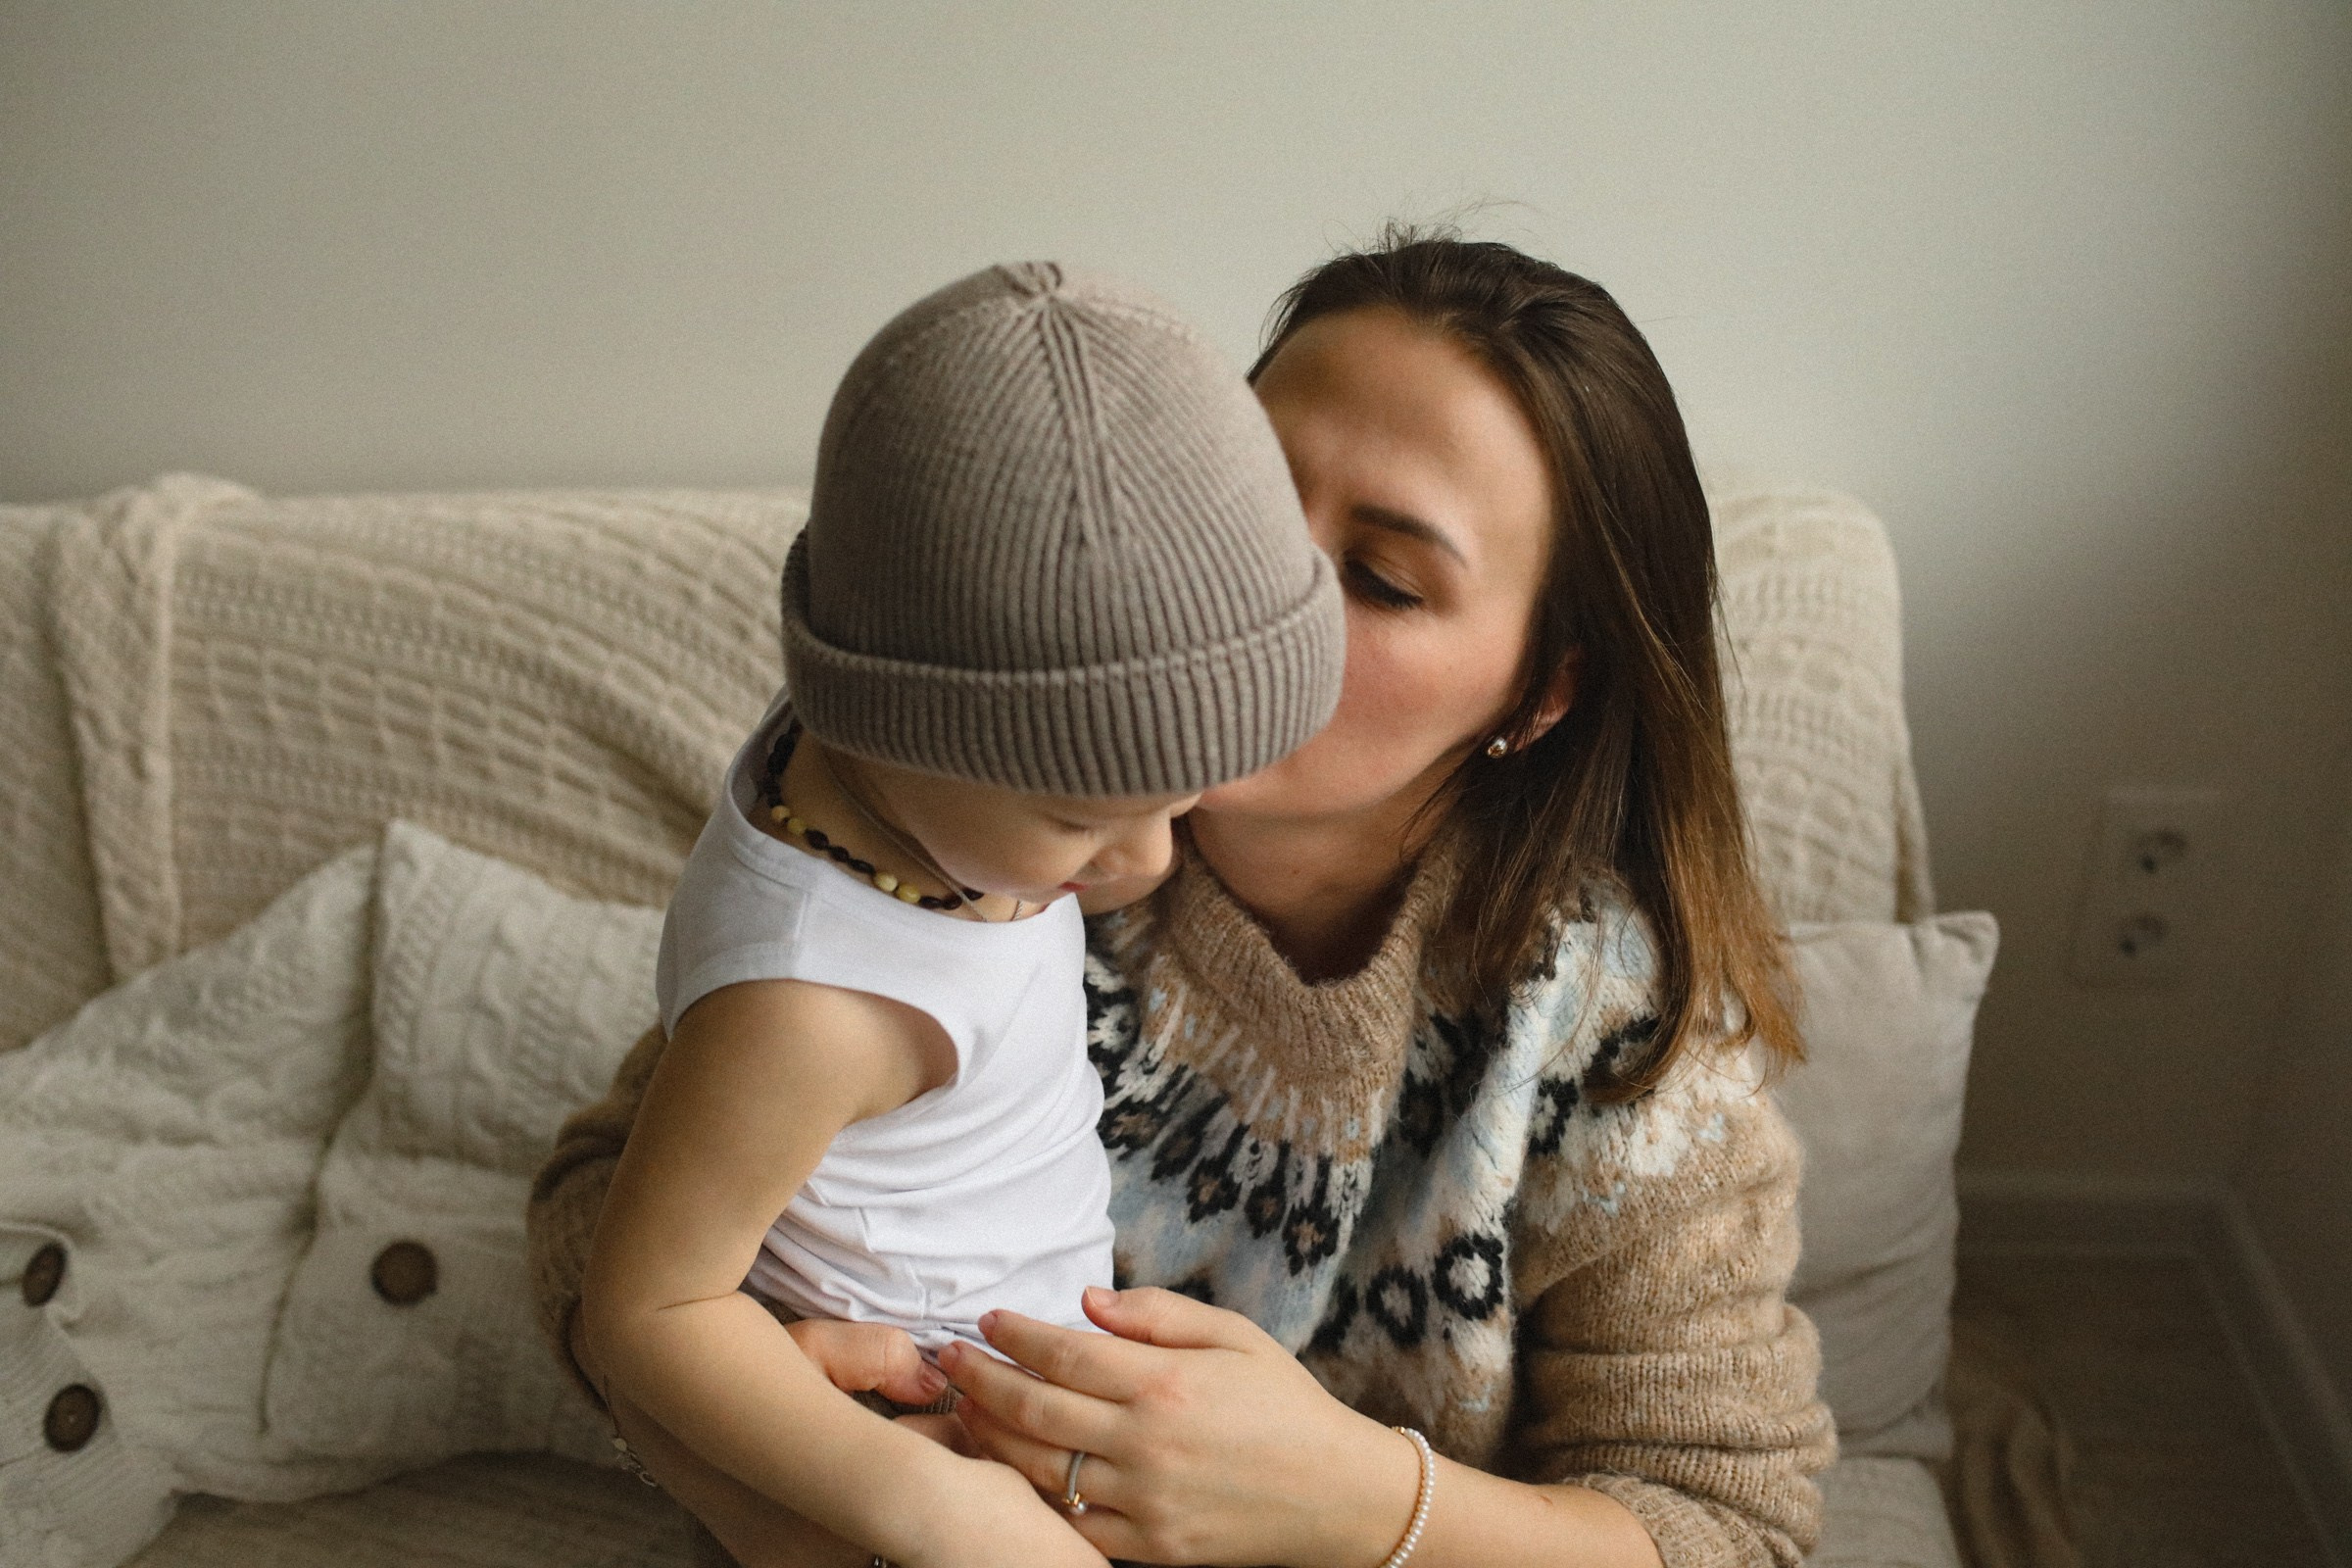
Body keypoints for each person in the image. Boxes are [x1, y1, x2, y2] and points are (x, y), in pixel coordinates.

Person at [530, 227, 1838, 1568]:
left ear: (1538, 694)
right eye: (1249, 509)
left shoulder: (1617, 1039)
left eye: (1381, 580)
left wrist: (1368, 1502)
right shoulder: (965, 812)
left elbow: (1732, 1531)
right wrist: (807, 1491)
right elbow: (606, 1214)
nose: (1255, 602)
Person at [570, 261, 1346, 1568]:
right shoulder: (815, 1005)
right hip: (925, 1459)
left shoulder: (876, 787)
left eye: (1174, 802)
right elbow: (644, 1308)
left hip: (1041, 1405)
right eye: (1076, 816)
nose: (1147, 863)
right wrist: (929, 1510)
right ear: (893, 718)